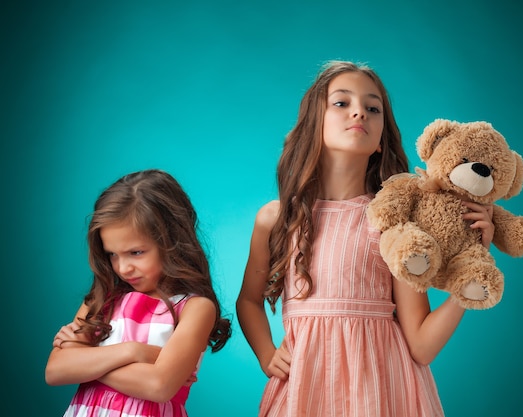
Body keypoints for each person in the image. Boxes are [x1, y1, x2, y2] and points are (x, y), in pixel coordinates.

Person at [236, 60, 495, 417]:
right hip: (303, 392)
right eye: (342, 102)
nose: (359, 112)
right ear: (315, 123)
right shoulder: (276, 218)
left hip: (383, 394)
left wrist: (470, 276)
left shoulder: (397, 225)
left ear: (379, 141)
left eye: (373, 108)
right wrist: (267, 354)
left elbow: (420, 345)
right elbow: (248, 301)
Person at [45, 169, 231, 417]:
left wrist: (85, 362)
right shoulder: (103, 298)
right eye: (112, 254)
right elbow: (55, 370)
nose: (123, 268)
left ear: (172, 241)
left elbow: (159, 386)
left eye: (136, 252)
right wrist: (134, 352)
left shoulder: (194, 308)